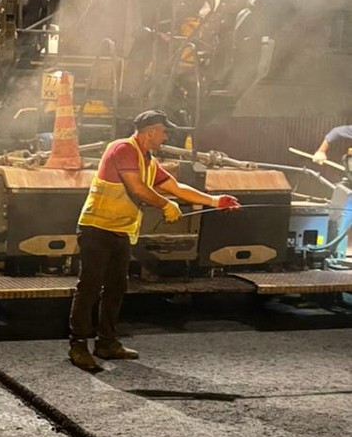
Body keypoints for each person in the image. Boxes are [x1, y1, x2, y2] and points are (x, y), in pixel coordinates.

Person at [67, 110, 242, 372]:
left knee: (116, 288)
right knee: (89, 287)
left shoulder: (147, 160)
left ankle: (106, 342)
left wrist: (215, 201)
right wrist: (166, 205)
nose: (165, 136)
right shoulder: (123, 148)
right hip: (97, 228)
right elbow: (137, 188)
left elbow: (176, 187)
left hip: (120, 232)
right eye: (163, 131)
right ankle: (78, 345)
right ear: (150, 131)